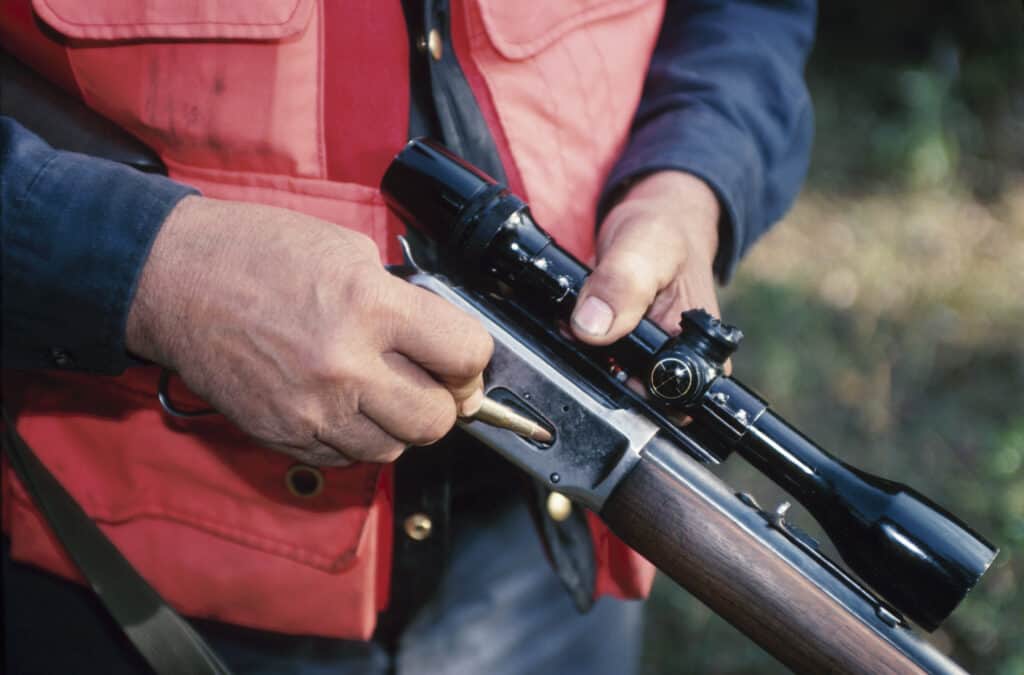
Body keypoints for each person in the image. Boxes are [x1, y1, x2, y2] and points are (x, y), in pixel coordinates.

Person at [1, 0, 816, 672]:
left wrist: (692, 180)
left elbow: (747, 16)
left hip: (548, 566)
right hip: (111, 570)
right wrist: (157, 274)